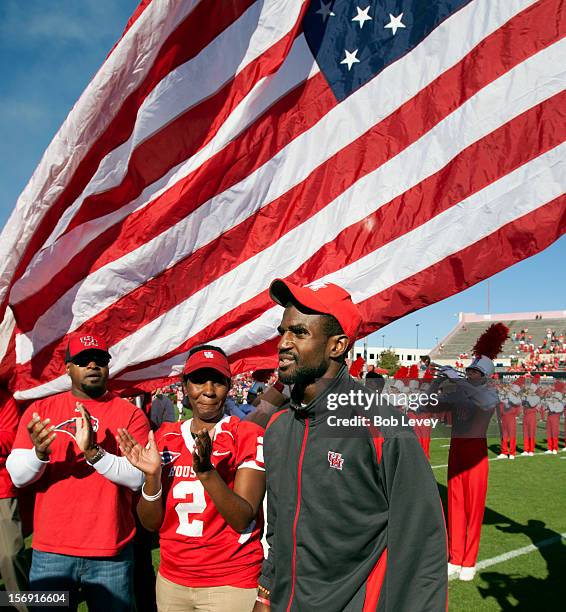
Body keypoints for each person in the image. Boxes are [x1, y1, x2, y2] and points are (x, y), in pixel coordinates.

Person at [254, 279, 447, 611]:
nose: (283, 343)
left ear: (337, 346)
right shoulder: (277, 426)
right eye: (282, 331)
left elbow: (422, 541)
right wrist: (266, 593)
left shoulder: (379, 425)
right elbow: (279, 531)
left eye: (299, 333)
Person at [6, 333, 149, 612]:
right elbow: (18, 477)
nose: (92, 365)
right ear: (68, 367)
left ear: (108, 366)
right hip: (51, 552)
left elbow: (138, 478)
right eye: (83, 360)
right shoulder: (41, 409)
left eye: (100, 360)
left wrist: (94, 453)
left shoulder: (130, 414)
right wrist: (39, 455)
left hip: (111, 552)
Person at [117, 345, 266, 612]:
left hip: (229, 580)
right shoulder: (165, 437)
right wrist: (151, 478)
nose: (208, 390)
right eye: (198, 380)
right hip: (173, 579)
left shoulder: (246, 434)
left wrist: (207, 473)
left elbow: (243, 516)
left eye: (217, 381)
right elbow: (151, 523)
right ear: (185, 386)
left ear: (229, 386)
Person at [431, 323, 506, 581]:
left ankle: (469, 560)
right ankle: (455, 556)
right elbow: (428, 404)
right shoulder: (461, 392)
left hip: (475, 454)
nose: (470, 375)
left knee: (473, 509)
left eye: (474, 372)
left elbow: (484, 401)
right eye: (469, 371)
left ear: (485, 375)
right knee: (455, 505)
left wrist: (457, 380)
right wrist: (435, 383)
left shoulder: (490, 393)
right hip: (457, 451)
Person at [0, 387, 29, 612]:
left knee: (10, 555)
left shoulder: (5, 398)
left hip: (2, 490)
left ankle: (23, 607)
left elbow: (11, 438)